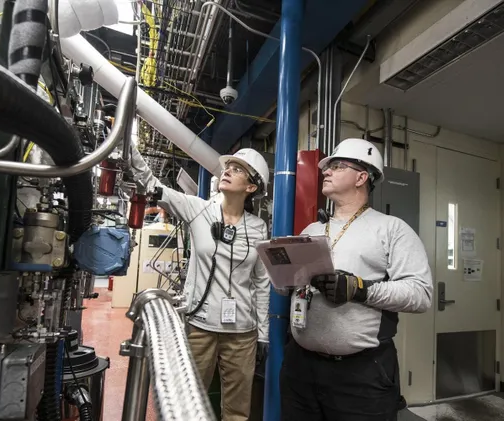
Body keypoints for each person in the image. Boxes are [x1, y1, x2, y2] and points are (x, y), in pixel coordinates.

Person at [279, 138, 433, 421]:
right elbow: (293, 283)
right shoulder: (313, 228)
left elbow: (420, 293)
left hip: (360, 376)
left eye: (336, 166)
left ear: (362, 177)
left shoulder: (391, 229)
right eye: (327, 167)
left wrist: (359, 289)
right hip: (300, 367)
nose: (326, 171)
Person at [129, 145, 271, 421]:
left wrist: (263, 334)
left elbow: (261, 283)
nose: (228, 171)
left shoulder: (258, 227)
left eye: (238, 169)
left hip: (243, 333)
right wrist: (128, 149)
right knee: (187, 405)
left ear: (251, 188)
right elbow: (152, 184)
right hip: (199, 328)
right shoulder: (198, 209)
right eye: (228, 167)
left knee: (237, 412)